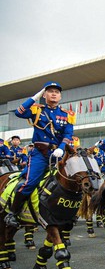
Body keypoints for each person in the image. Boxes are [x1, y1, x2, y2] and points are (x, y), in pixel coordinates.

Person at [4, 81, 75, 228]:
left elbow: (68, 134)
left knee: (73, 182)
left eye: (56, 92)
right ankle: (13, 213)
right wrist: (34, 98)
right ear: (44, 95)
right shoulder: (37, 109)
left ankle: (68, 214)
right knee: (30, 183)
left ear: (60, 96)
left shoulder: (67, 114)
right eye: (50, 91)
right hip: (40, 154)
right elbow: (19, 112)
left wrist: (62, 148)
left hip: (58, 154)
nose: (54, 93)